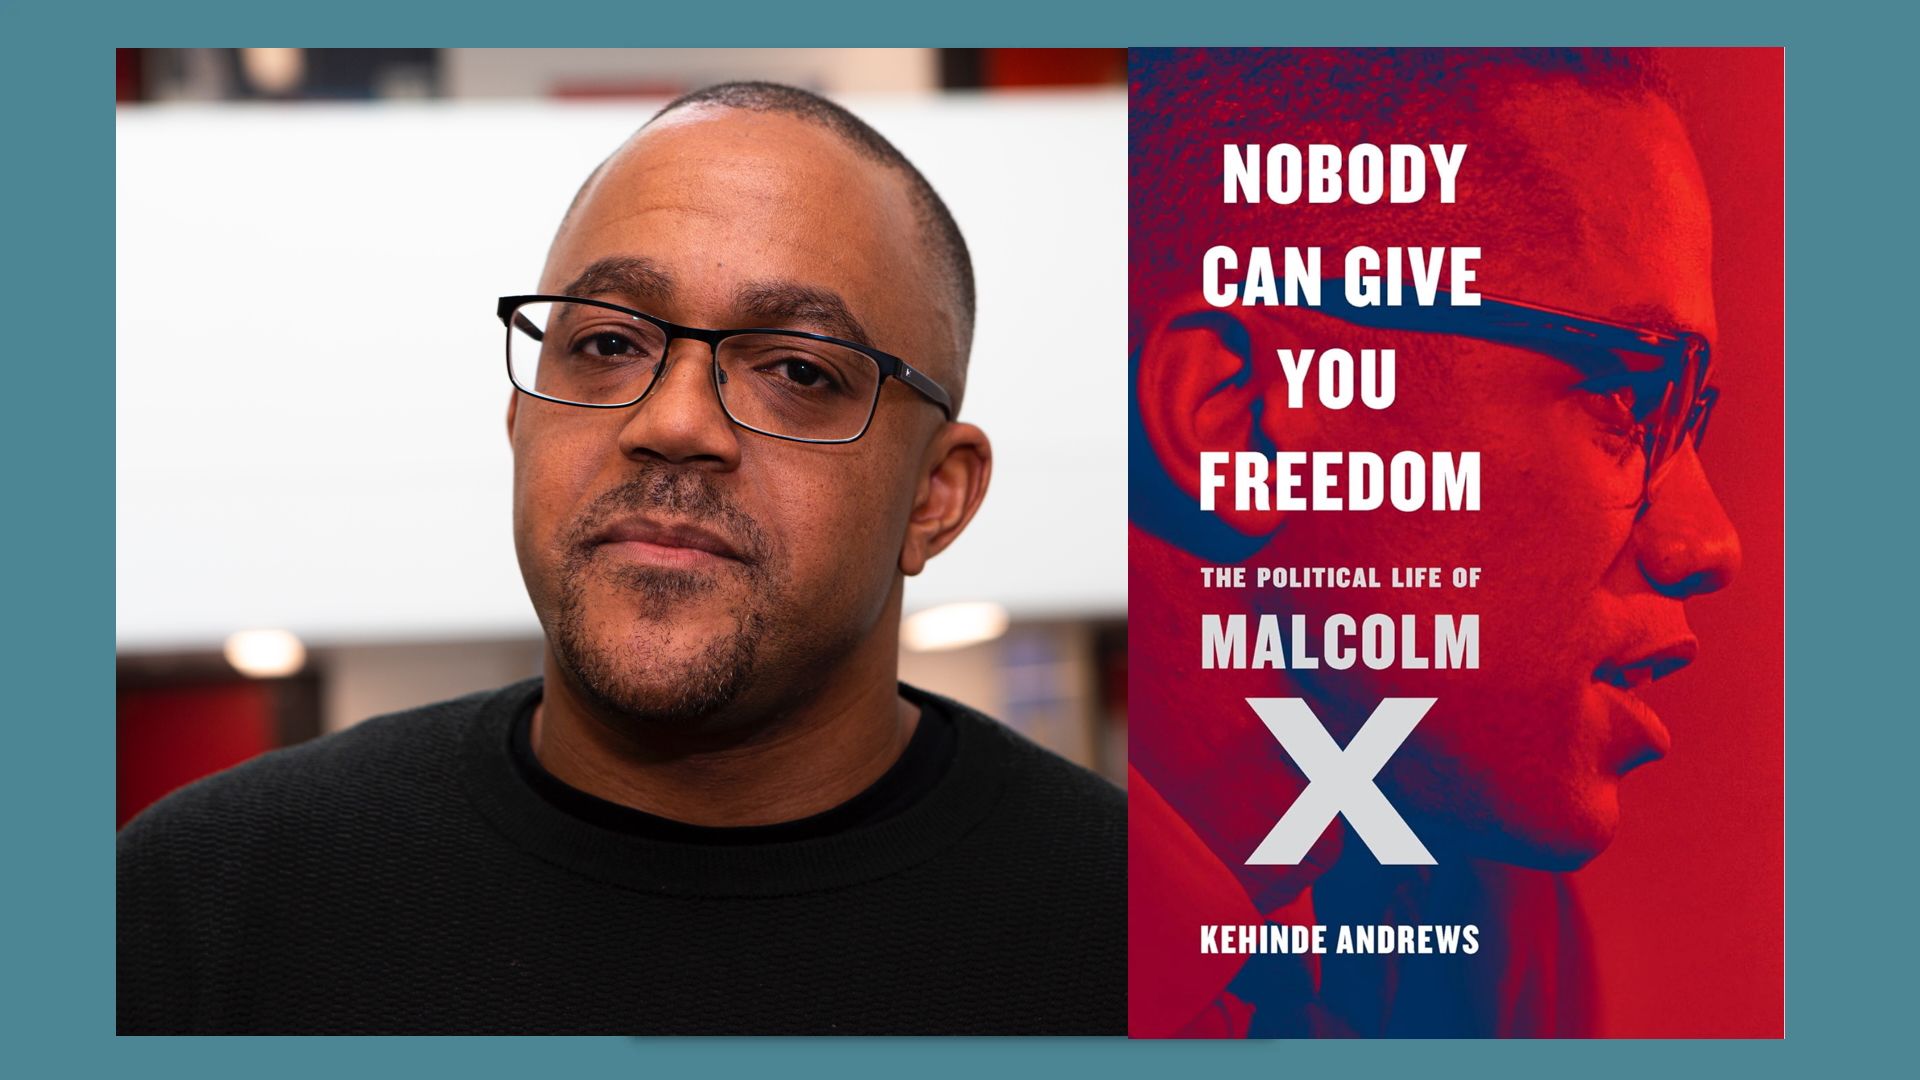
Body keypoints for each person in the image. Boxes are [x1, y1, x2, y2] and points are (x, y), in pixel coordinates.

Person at [118, 81, 1125, 1035]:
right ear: (519, 418)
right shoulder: (205, 906)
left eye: (798, 369)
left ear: (935, 497)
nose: (674, 421)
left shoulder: (1160, 952)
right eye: (607, 346)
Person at [1126, 49, 1744, 1036]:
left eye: (1687, 415)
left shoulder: (1487, 934)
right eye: (1630, 396)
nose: (1708, 544)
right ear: (1239, 416)